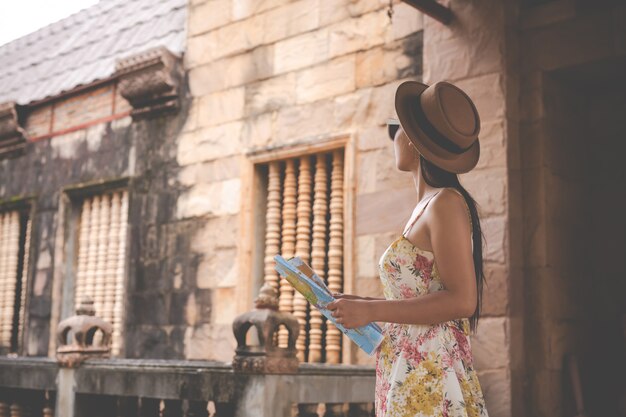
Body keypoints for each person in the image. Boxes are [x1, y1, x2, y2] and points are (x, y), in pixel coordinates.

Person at [327, 80, 489, 416]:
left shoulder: (445, 203)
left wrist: (372, 312)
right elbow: (418, 296)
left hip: (430, 369)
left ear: (414, 140)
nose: (393, 137)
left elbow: (462, 299)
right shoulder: (428, 205)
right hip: (406, 365)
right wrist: (361, 304)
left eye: (395, 128)